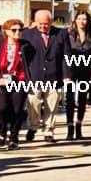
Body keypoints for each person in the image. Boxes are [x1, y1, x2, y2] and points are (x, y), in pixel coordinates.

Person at [21, 10, 70, 143]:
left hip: (54, 75)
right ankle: (33, 126)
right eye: (40, 24)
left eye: (46, 24)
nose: (43, 26)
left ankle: (49, 130)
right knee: (33, 103)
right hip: (34, 75)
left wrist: (67, 75)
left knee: (52, 104)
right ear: (35, 22)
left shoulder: (61, 33)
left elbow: (66, 56)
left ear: (51, 22)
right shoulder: (26, 34)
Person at [0, 19, 33, 150]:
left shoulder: (25, 46)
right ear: (6, 31)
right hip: (2, 80)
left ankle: (14, 137)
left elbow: (30, 62)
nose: (17, 33)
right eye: (14, 30)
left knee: (17, 110)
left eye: (20, 30)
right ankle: (2, 133)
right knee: (1, 108)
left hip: (19, 80)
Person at [63, 11, 91, 140]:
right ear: (75, 20)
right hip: (71, 69)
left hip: (85, 69)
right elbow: (64, 54)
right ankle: (70, 128)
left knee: (82, 99)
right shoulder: (68, 34)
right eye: (80, 18)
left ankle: (79, 127)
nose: (82, 21)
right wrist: (65, 73)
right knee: (70, 99)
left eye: (85, 19)